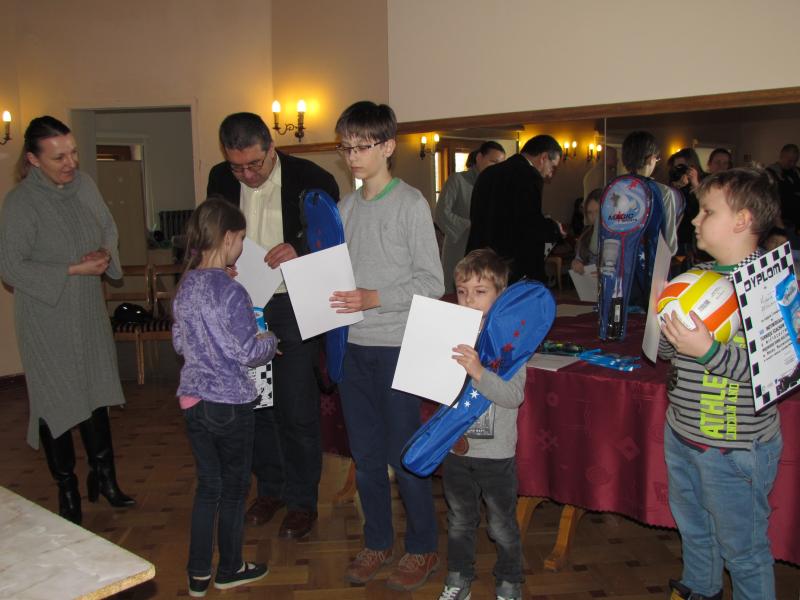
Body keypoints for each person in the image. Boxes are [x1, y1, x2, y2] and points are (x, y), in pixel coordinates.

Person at [207, 112, 339, 539]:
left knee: (296, 407)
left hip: (292, 305)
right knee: (255, 404)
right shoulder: (219, 179)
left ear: (271, 148)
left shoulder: (311, 178)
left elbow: (333, 239)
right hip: (243, 307)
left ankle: (302, 502)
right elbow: (212, 235)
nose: (246, 175)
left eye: (254, 164)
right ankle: (271, 490)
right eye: (237, 167)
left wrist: (299, 247)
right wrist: (218, 264)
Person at [330, 101, 444, 591]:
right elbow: (335, 278)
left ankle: (422, 548)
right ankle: (377, 540)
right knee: (366, 456)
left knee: (406, 455)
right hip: (351, 348)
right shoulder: (343, 209)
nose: (353, 156)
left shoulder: (411, 205)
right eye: (346, 147)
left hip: (398, 348)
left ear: (388, 147)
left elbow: (433, 283)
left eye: (363, 146)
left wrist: (375, 297)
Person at [0, 116, 134, 526]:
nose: (71, 163)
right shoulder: (20, 203)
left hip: (87, 311)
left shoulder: (85, 185)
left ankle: (104, 477)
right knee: (54, 402)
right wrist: (74, 269)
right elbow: (10, 268)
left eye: (73, 152)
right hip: (47, 319)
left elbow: (108, 227)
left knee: (96, 392)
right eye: (59, 157)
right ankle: (68, 489)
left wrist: (105, 254)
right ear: (33, 159)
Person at [658, 168, 783, 600]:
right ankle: (700, 589)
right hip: (683, 433)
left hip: (735, 448)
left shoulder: (770, 285)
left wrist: (708, 350)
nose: (694, 220)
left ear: (742, 220)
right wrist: (666, 329)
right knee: (695, 530)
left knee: (744, 551)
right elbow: (670, 354)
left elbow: (777, 372)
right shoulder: (698, 277)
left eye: (707, 211)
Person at [173, 197, 278, 597]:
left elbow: (180, 342)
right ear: (229, 237)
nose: (241, 247)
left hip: (192, 402)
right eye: (241, 240)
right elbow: (247, 351)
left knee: (208, 488)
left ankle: (198, 573)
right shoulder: (232, 291)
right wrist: (270, 339)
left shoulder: (185, 286)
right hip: (230, 402)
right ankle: (231, 567)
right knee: (234, 489)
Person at [438, 248, 525, 600]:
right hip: (456, 450)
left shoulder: (512, 341)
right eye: (462, 291)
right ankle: (458, 579)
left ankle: (509, 581)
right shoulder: (449, 335)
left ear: (499, 295)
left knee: (502, 524)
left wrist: (478, 372)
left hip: (496, 454)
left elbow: (513, 396)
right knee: (459, 521)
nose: (469, 300)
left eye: (480, 291)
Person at [466, 134, 563, 283]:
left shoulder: (487, 173)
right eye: (552, 167)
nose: (550, 174)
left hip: (479, 260)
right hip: (509, 267)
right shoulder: (529, 175)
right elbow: (528, 224)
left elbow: (476, 216)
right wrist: (553, 227)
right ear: (543, 158)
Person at [434, 141, 506, 293]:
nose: (497, 167)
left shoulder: (498, 187)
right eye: (493, 162)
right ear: (479, 158)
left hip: (487, 251)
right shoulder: (458, 180)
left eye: (500, 164)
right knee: (456, 292)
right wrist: (470, 225)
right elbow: (441, 213)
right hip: (459, 247)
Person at [667, 148, 706, 266]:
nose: (679, 171)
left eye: (682, 167)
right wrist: (675, 190)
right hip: (678, 238)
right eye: (676, 168)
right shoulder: (673, 184)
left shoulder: (705, 181)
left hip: (696, 239)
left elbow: (707, 206)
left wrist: (695, 184)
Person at [766, 143, 800, 234]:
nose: (792, 164)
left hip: (796, 221)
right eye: (790, 160)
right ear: (782, 156)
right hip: (781, 221)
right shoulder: (770, 173)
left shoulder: (797, 172)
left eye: (795, 161)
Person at [570, 188, 601, 274]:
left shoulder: (619, 236)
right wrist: (576, 263)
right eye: (589, 212)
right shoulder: (585, 235)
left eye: (598, 211)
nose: (594, 217)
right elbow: (578, 259)